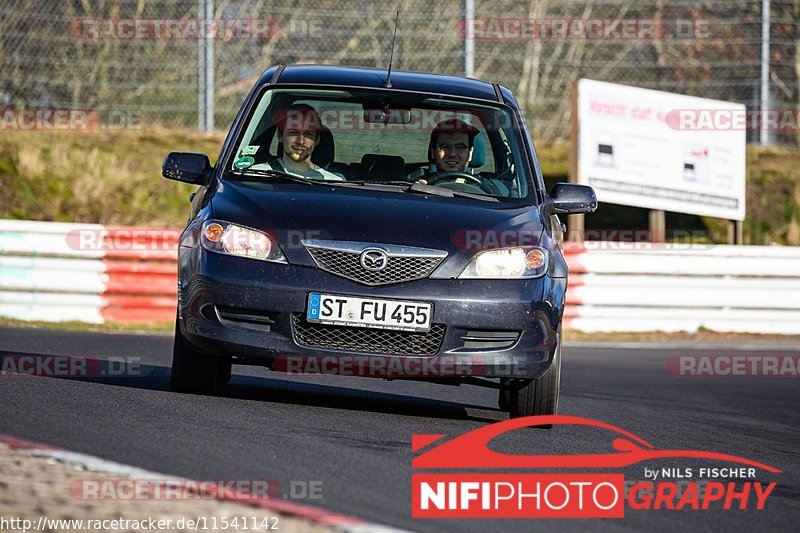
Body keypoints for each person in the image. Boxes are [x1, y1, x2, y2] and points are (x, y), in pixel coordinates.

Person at [256, 104, 343, 181]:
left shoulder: (333, 182)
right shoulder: (257, 175)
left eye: (308, 134)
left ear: (316, 140)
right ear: (280, 136)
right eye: (293, 132)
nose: (301, 141)